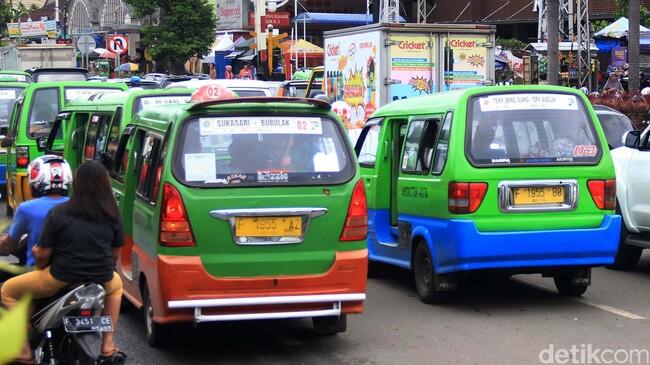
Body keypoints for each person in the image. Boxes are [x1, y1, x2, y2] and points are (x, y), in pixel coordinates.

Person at [1, 161, 126, 364]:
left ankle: (24, 351)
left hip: (61, 277)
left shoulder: (60, 212)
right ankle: (108, 345)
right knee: (117, 287)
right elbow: (115, 254)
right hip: (102, 278)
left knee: (7, 290)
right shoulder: (112, 214)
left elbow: (43, 254)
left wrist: (39, 261)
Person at [0, 156, 72, 266]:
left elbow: (9, 246)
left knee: (7, 283)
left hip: (38, 271)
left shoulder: (26, 208)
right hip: (73, 270)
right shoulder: (79, 205)